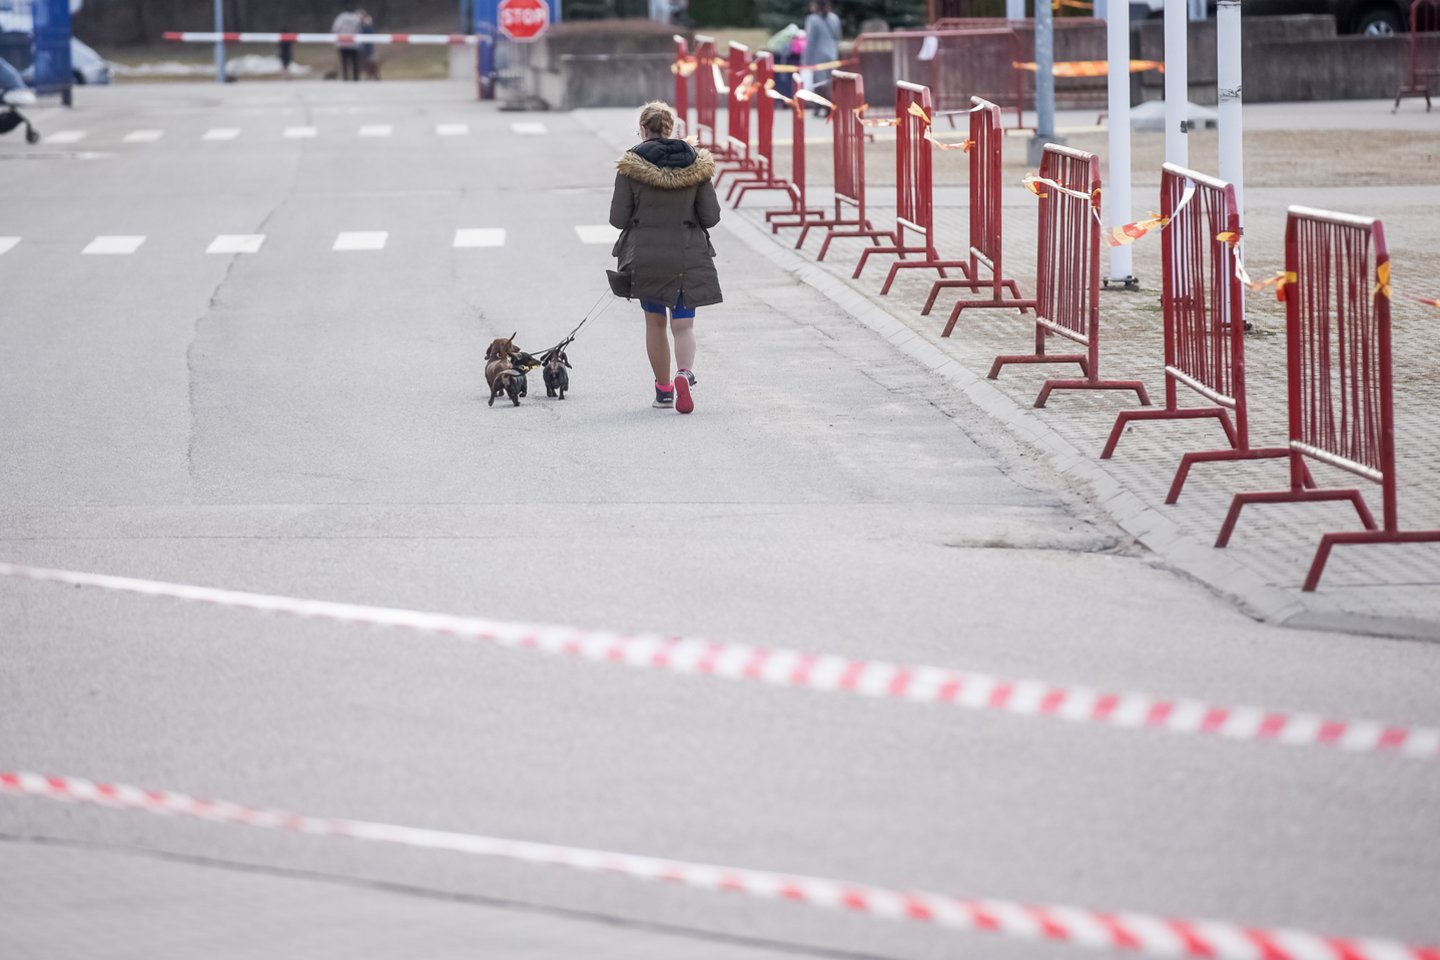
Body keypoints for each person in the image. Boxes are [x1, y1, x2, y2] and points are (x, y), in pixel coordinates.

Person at [608, 101, 722, 413]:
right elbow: (710, 216)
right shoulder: (696, 165)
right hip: (688, 255)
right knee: (683, 326)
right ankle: (684, 373)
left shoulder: (630, 168)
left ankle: (663, 391)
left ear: (643, 130)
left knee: (655, 323)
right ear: (671, 129)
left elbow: (618, 219)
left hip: (648, 256)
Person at [802, 0, 842, 102]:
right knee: (831, 82)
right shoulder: (834, 18)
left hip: (818, 55)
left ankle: (827, 105)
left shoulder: (812, 19)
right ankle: (826, 105)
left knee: (820, 83)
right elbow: (837, 36)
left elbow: (811, 40)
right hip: (832, 54)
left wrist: (806, 60)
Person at [330, 5, 362, 82]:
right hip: (354, 44)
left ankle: (345, 78)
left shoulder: (340, 17)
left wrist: (335, 41)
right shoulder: (356, 18)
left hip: (342, 43)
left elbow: (335, 29)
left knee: (344, 62)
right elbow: (359, 30)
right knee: (354, 62)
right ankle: (355, 78)